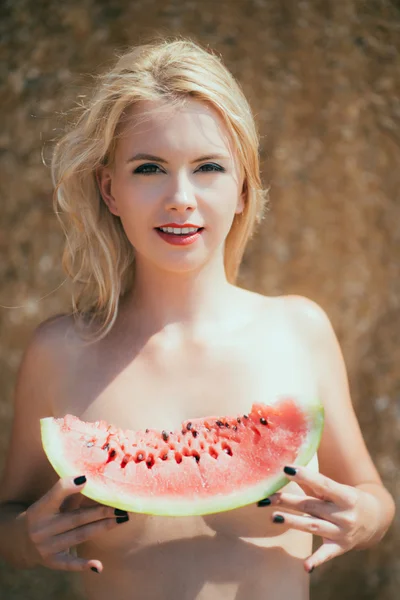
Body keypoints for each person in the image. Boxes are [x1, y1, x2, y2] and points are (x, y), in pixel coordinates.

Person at [0, 35, 395, 600]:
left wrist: (365, 517)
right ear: (110, 190)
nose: (180, 197)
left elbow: (372, 494)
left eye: (208, 167)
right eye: (149, 168)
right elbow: (8, 516)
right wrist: (24, 536)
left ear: (242, 189)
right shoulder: (60, 350)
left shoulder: (298, 330)